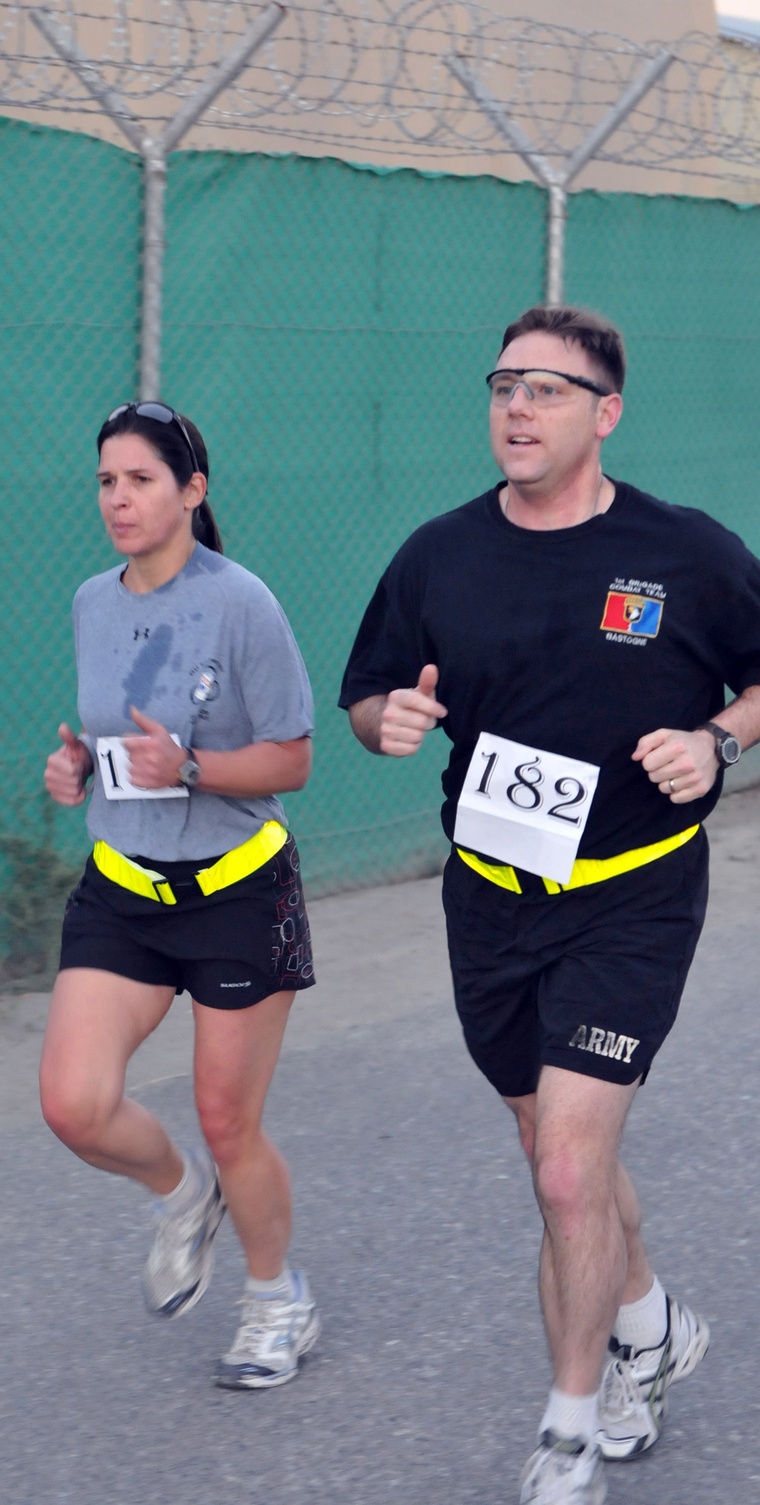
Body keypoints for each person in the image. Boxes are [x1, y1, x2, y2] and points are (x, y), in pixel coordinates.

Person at [339, 306, 760, 1503]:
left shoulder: (686, 553)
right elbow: (368, 695)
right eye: (503, 386)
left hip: (630, 896)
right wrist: (391, 724)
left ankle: (569, 1427)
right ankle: (650, 1318)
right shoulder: (438, 554)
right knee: (552, 1147)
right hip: (489, 899)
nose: (517, 409)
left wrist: (717, 739)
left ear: (604, 413)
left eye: (548, 390)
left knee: (571, 1167)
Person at [41, 400, 319, 1389]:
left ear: (191, 491)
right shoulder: (90, 599)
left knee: (227, 1116)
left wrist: (192, 769)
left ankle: (276, 1299)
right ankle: (179, 1193)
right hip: (122, 884)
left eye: (140, 480)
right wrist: (78, 768)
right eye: (106, 481)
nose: (118, 498)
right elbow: (118, 738)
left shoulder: (242, 602)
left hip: (237, 890)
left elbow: (293, 755)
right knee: (73, 1104)